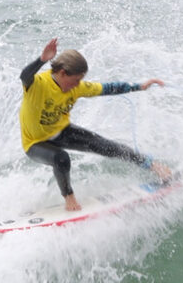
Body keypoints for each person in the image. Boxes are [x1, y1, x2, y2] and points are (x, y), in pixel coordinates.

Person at [19, 38, 172, 211]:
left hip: (62, 132)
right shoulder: (39, 84)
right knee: (61, 159)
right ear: (62, 73)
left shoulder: (76, 87)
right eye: (75, 80)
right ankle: (69, 199)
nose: (78, 85)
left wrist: (139, 86)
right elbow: (24, 76)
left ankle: (154, 166)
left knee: (109, 146)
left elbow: (108, 88)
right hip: (35, 142)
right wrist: (42, 60)